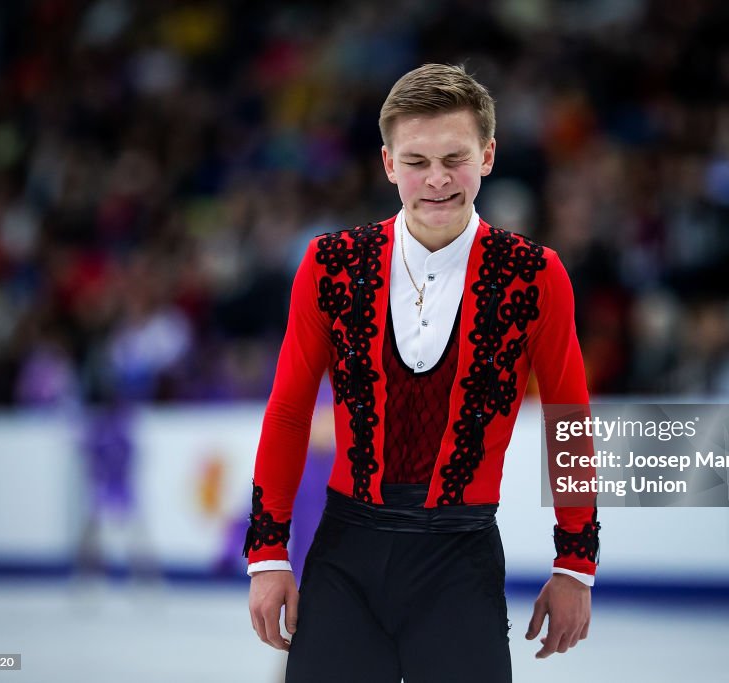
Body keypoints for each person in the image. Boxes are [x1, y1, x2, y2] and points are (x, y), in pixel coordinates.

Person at [245, 63, 599, 683]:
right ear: (387, 164)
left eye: (454, 158)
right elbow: (289, 412)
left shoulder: (535, 274)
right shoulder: (331, 264)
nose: (436, 180)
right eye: (416, 161)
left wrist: (574, 566)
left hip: (460, 561)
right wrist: (268, 554)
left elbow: (568, 422)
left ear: (487, 155)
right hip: (345, 556)